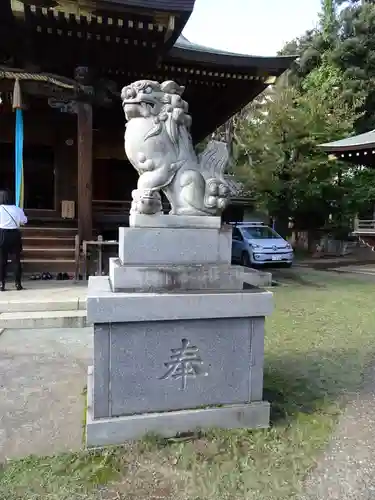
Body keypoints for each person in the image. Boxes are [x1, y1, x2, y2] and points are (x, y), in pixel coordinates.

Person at [0, 190, 27, 291]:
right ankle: (18, 283)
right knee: (16, 260)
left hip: (2, 234)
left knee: (2, 260)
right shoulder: (17, 209)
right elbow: (24, 220)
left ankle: (1, 284)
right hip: (15, 234)